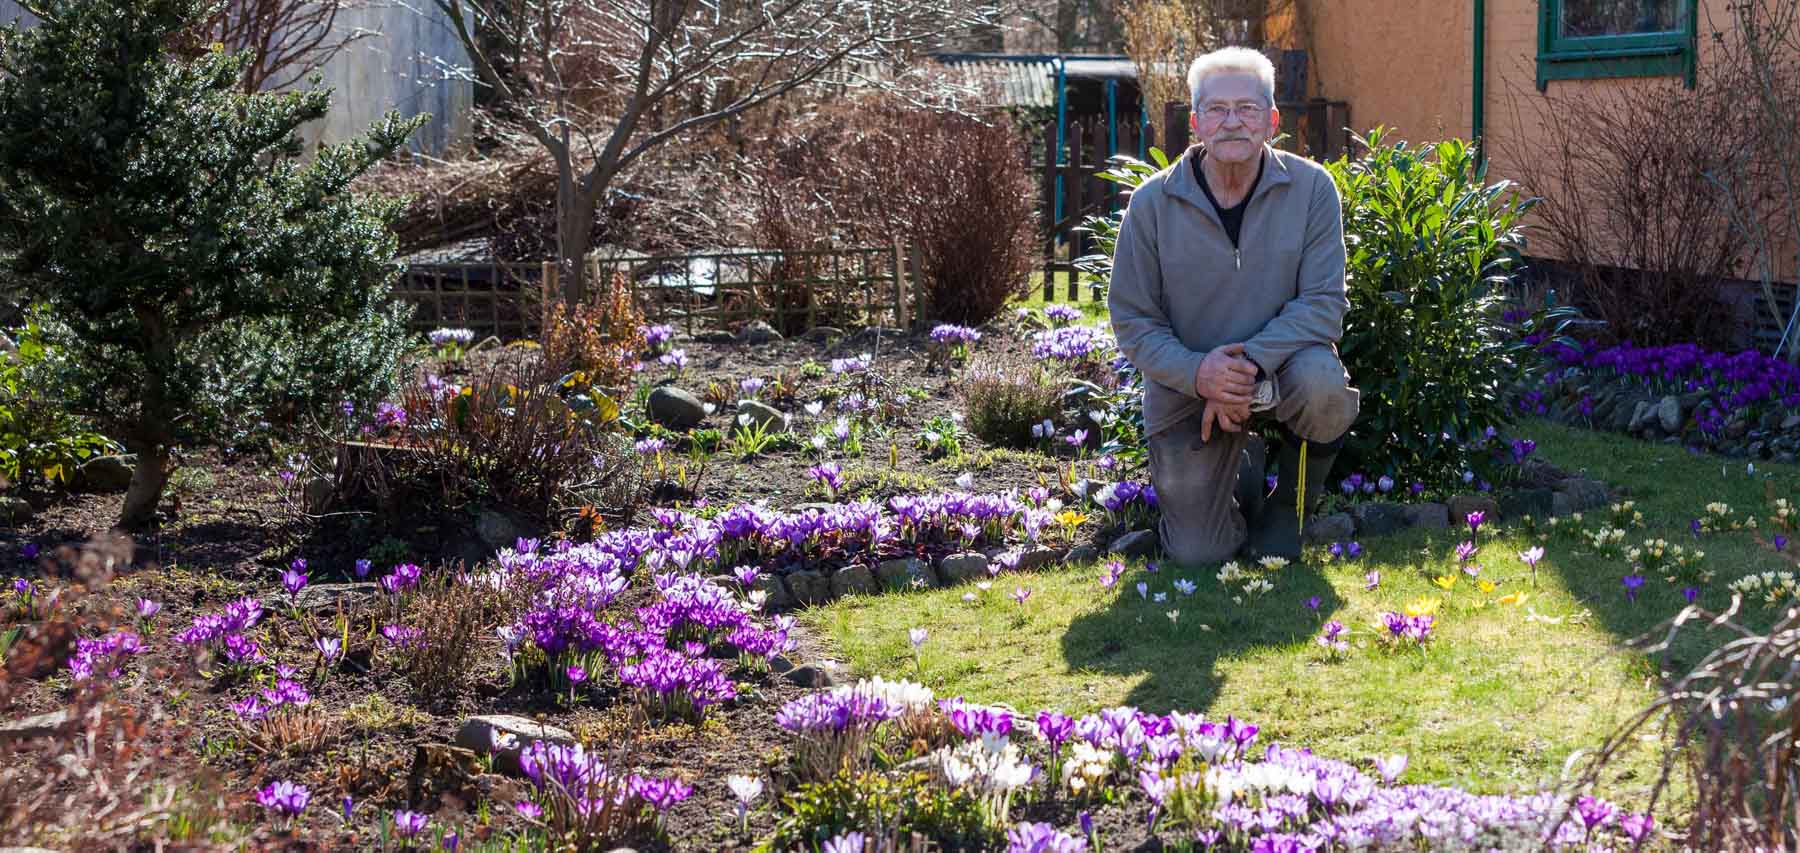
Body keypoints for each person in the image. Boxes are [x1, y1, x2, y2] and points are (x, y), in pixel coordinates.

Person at [1107, 46, 1359, 564]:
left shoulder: (1313, 189)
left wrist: (1242, 369)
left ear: (1270, 120)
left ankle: (1291, 507)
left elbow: (1323, 305)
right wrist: (1200, 373)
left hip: (1282, 368)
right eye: (1217, 110)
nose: (1232, 123)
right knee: (1199, 554)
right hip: (1188, 385)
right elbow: (1133, 321)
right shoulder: (1151, 204)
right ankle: (1241, 465)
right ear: (1196, 123)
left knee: (1324, 386)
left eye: (1246, 109)